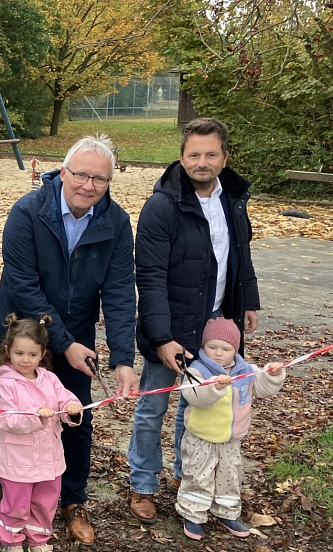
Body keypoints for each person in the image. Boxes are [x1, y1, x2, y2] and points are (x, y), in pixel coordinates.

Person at [0, 135, 137, 546]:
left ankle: (72, 497)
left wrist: (122, 357)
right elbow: (24, 286)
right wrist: (60, 343)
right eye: (80, 174)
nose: (88, 185)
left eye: (99, 178)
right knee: (7, 411)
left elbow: (118, 290)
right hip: (21, 332)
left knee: (75, 414)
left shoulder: (115, 222)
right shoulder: (27, 213)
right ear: (63, 172)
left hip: (77, 333)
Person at [128, 118, 260, 525]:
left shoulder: (233, 199)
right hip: (169, 327)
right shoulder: (162, 205)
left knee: (199, 411)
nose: (202, 162)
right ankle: (143, 485)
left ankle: (192, 485)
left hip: (215, 330)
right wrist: (163, 337)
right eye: (194, 154)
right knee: (153, 408)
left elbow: (241, 254)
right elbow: (149, 277)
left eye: (211, 154)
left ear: (224, 156)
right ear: (182, 156)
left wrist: (248, 301)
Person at [176, 318, 284, 540]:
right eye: (212, 347)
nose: (218, 353)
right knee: (198, 476)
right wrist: (215, 386)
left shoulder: (245, 370)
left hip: (231, 439)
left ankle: (227, 512)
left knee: (230, 476)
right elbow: (195, 396)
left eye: (226, 349)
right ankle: (193, 514)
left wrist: (273, 374)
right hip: (201, 438)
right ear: (204, 346)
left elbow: (263, 388)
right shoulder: (196, 370)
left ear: (235, 349)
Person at [0, 314, 83, 552]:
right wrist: (36, 415)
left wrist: (71, 409)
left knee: (45, 502)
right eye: (19, 353)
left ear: (42, 355)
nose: (25, 360)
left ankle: (38, 540)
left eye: (32, 355)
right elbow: (7, 419)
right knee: (17, 504)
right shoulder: (5, 383)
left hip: (49, 459)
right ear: (8, 350)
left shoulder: (50, 379)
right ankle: (11, 541)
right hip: (18, 462)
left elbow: (65, 400)